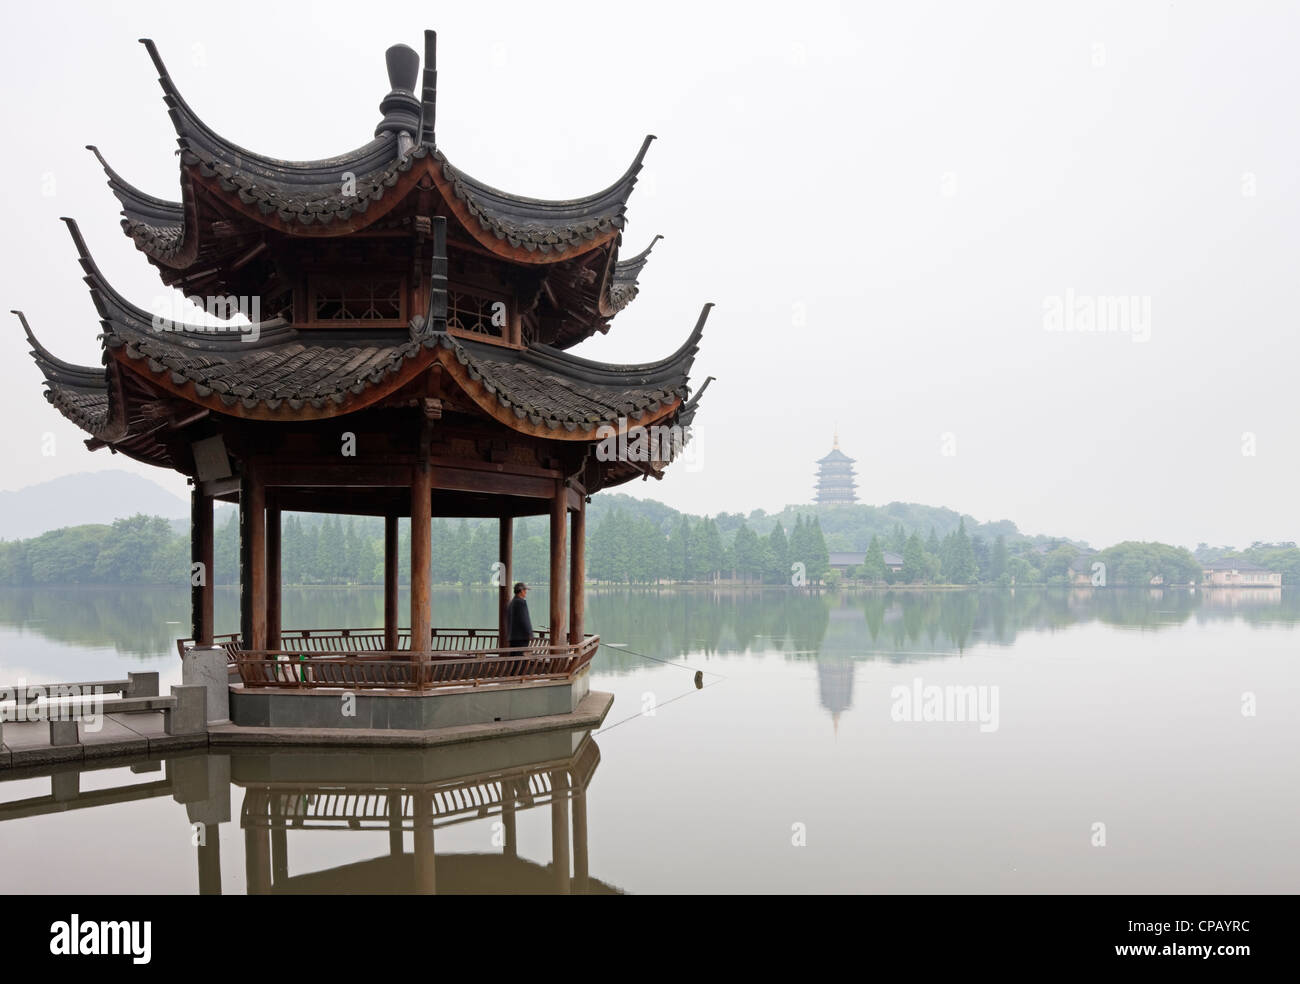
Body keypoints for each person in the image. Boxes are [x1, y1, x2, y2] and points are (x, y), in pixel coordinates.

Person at [505, 582, 533, 651]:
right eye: (525, 590)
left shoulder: (511, 603)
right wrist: (529, 634)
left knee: (514, 658)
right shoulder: (521, 602)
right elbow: (524, 620)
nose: (526, 592)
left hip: (512, 637)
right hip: (521, 638)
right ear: (521, 591)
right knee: (520, 659)